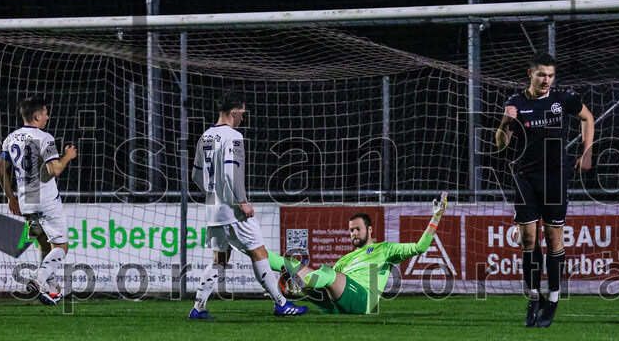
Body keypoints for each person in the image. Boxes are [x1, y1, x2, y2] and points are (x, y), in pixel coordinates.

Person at [495, 52, 594, 328]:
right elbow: (501, 144)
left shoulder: (562, 99)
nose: (546, 80)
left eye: (550, 75)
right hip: (526, 177)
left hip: (555, 177)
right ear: (530, 74)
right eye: (541, 75)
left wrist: (587, 152)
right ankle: (533, 297)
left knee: (553, 238)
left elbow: (587, 118)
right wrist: (505, 121)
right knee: (528, 240)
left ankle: (553, 299)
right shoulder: (516, 103)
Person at [188, 92, 307, 320]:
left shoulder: (205, 136)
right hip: (232, 209)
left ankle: (198, 308)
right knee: (258, 252)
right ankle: (281, 304)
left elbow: (195, 175)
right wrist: (242, 202)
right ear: (234, 112)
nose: (243, 116)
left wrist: (214, 194)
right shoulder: (234, 136)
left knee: (219, 260)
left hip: (213, 209)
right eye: (242, 112)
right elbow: (231, 173)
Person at [274, 193, 447, 315]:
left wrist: (436, 218)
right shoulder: (344, 260)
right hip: (337, 307)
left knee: (327, 273)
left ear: (369, 229)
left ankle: (298, 284)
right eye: (351, 231)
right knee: (291, 263)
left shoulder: (384, 249)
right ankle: (256, 253)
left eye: (357, 229)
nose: (354, 233)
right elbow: (326, 289)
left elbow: (419, 247)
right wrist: (297, 295)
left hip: (364, 302)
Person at [0, 95, 77, 305]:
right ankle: (39, 280)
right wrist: (67, 156)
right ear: (37, 115)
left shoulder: (10, 138)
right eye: (46, 113)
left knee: (43, 243)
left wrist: (11, 197)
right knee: (61, 246)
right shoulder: (45, 138)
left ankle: (52, 290)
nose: (48, 117)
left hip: (25, 200)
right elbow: (54, 170)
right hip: (46, 199)